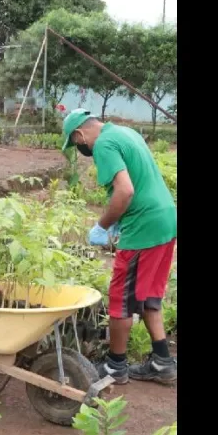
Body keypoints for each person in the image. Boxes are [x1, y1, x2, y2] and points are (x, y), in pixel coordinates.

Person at [62, 108, 177, 385]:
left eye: (77, 144)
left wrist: (102, 225)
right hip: (165, 220)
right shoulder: (126, 132)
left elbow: (125, 190)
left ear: (79, 134)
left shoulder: (103, 144)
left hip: (143, 228)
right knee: (149, 295)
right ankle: (162, 362)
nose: (81, 149)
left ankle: (115, 366)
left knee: (121, 300)